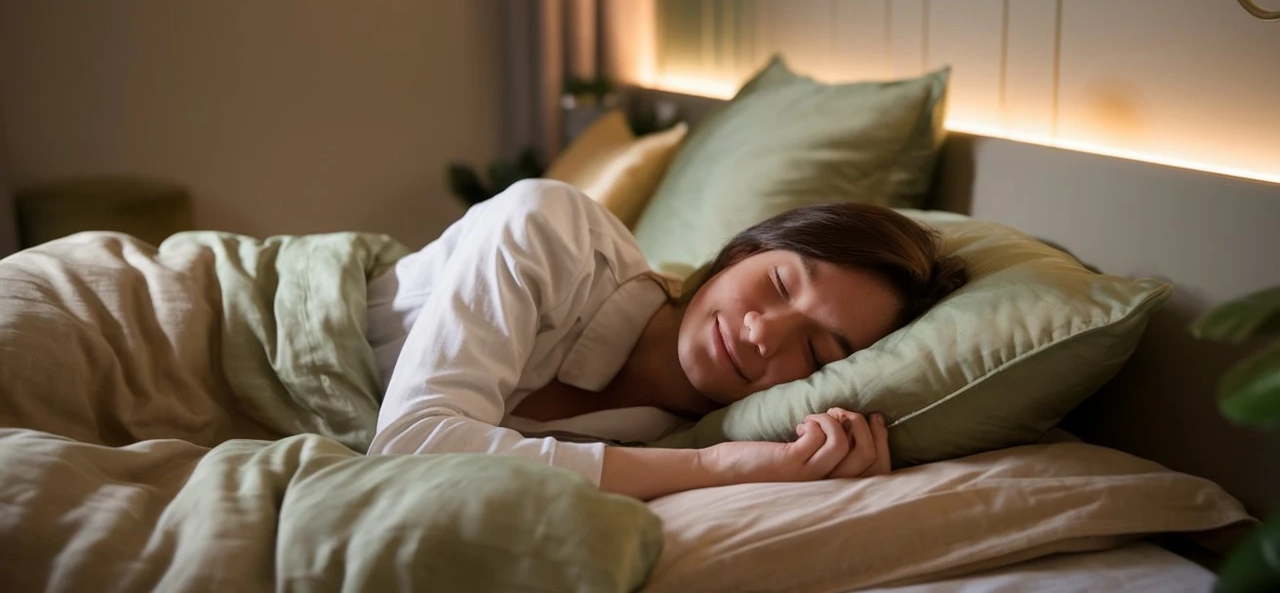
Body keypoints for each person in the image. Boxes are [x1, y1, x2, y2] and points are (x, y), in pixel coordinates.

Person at [367, 179, 967, 500]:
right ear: (740, 253)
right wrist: (711, 467)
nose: (761, 332)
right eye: (779, 283)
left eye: (816, 353)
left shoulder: (709, 432)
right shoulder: (548, 228)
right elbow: (408, 451)